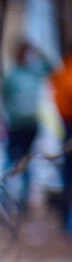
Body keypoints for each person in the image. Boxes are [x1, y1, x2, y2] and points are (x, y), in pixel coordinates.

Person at [2, 41, 50, 210]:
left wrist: (39, 52)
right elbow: (4, 99)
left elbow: (51, 67)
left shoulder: (35, 73)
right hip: (15, 125)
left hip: (32, 125)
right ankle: (5, 199)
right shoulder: (12, 76)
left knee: (28, 162)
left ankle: (23, 201)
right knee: (11, 162)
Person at [52, 51, 72, 234]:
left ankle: (68, 220)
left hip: (66, 126)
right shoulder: (65, 75)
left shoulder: (61, 74)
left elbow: (58, 102)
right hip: (68, 127)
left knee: (67, 175)